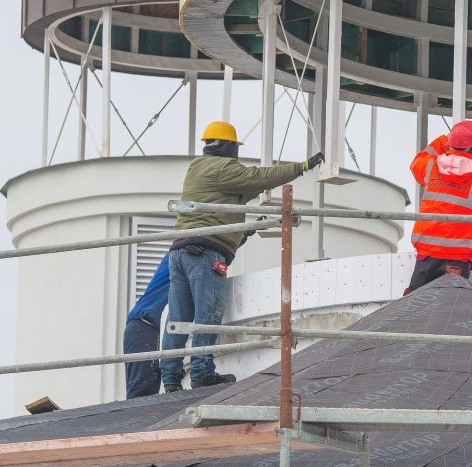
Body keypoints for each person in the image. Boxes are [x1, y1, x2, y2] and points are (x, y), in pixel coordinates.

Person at [159, 121, 325, 392]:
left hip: (180, 252)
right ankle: (202, 373)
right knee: (207, 315)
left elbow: (237, 196)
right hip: (204, 253)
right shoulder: (223, 168)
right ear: (226, 145)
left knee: (178, 319)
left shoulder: (198, 168)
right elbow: (260, 178)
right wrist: (301, 168)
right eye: (235, 146)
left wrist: (245, 230)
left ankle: (170, 378)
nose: (236, 151)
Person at [406, 120, 472, 293]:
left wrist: (445, 140)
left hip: (427, 253)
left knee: (415, 303)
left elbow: (416, 162)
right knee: (451, 308)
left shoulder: (431, 166)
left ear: (450, 144)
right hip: (458, 256)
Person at [122, 257, 171, 399]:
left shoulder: (182, 250)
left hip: (140, 327)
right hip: (146, 326)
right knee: (141, 397)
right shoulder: (186, 252)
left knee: (141, 397)